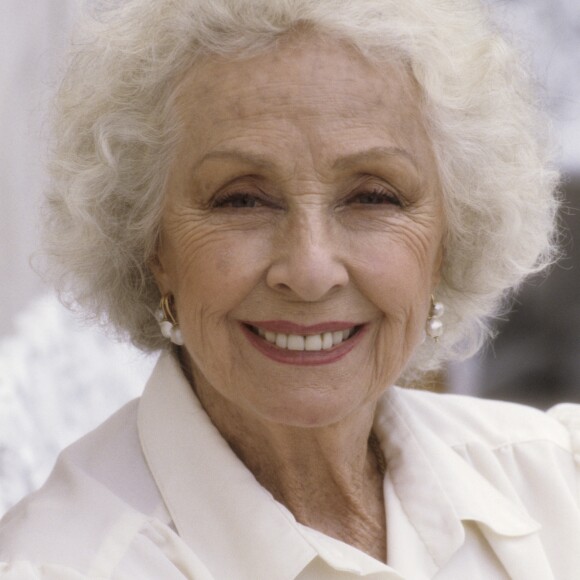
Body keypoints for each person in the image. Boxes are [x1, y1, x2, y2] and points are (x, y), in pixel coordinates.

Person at [1, 0, 578, 578]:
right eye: (242, 200)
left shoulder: (555, 485)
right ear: (151, 246)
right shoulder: (60, 566)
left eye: (373, 196)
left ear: (449, 239)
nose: (309, 270)